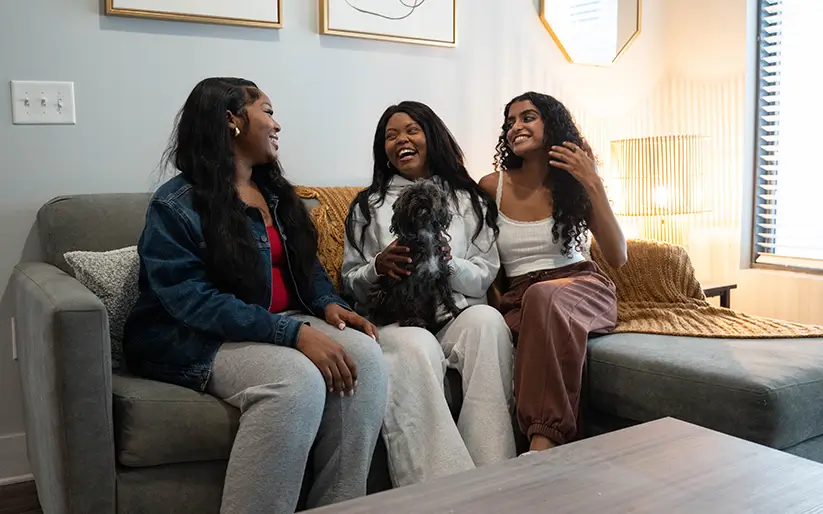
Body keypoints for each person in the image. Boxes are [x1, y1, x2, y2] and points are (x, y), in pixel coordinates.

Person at [123, 77, 387, 514]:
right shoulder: (175, 205)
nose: (277, 123)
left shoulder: (277, 194)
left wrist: (327, 304)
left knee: (368, 359)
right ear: (231, 121)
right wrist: (292, 333)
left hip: (276, 325)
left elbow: (307, 268)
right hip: (191, 336)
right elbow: (193, 301)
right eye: (266, 111)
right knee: (295, 380)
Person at [342, 101, 516, 487]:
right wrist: (377, 267)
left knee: (488, 322)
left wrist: (447, 262)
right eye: (390, 135)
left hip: (456, 311)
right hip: (395, 319)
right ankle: (441, 492)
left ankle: (496, 478)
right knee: (416, 345)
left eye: (411, 130)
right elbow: (348, 279)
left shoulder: (470, 199)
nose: (401, 139)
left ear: (431, 136)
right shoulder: (367, 205)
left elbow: (484, 275)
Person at [479, 91, 628, 455]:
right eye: (510, 122)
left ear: (553, 124)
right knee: (534, 301)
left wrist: (592, 182)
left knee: (543, 296)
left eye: (528, 117)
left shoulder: (574, 184)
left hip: (581, 286)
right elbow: (484, 260)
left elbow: (617, 255)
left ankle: (543, 443)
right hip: (522, 297)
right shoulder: (490, 187)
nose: (516, 127)